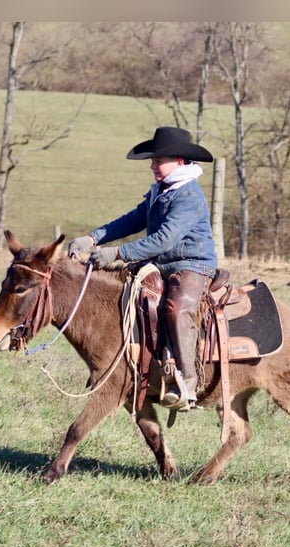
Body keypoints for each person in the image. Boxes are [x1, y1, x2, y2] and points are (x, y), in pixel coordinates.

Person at [67, 127, 217, 411]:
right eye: (153, 160)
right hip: (162, 263)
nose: (153, 165)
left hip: (192, 265)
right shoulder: (161, 191)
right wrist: (94, 238)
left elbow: (164, 239)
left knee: (177, 308)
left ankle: (187, 381)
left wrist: (118, 252)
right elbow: (134, 219)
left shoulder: (188, 196)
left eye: (159, 160)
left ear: (181, 161)